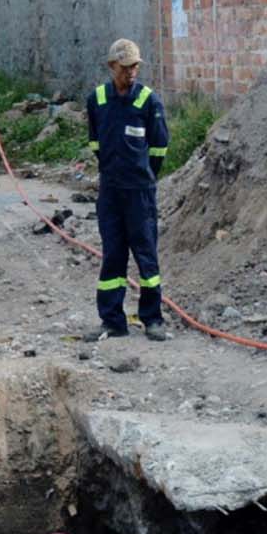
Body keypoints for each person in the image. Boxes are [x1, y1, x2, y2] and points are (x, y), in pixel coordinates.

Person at [86, 37, 170, 342]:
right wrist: (112, 169)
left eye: (135, 66)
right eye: (125, 67)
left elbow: (159, 147)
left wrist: (143, 176)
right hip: (110, 192)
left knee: (146, 256)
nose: (131, 72)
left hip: (139, 193)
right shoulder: (97, 99)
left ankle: (152, 319)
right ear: (112, 66)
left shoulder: (149, 101)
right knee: (113, 255)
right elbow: (95, 142)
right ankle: (112, 321)